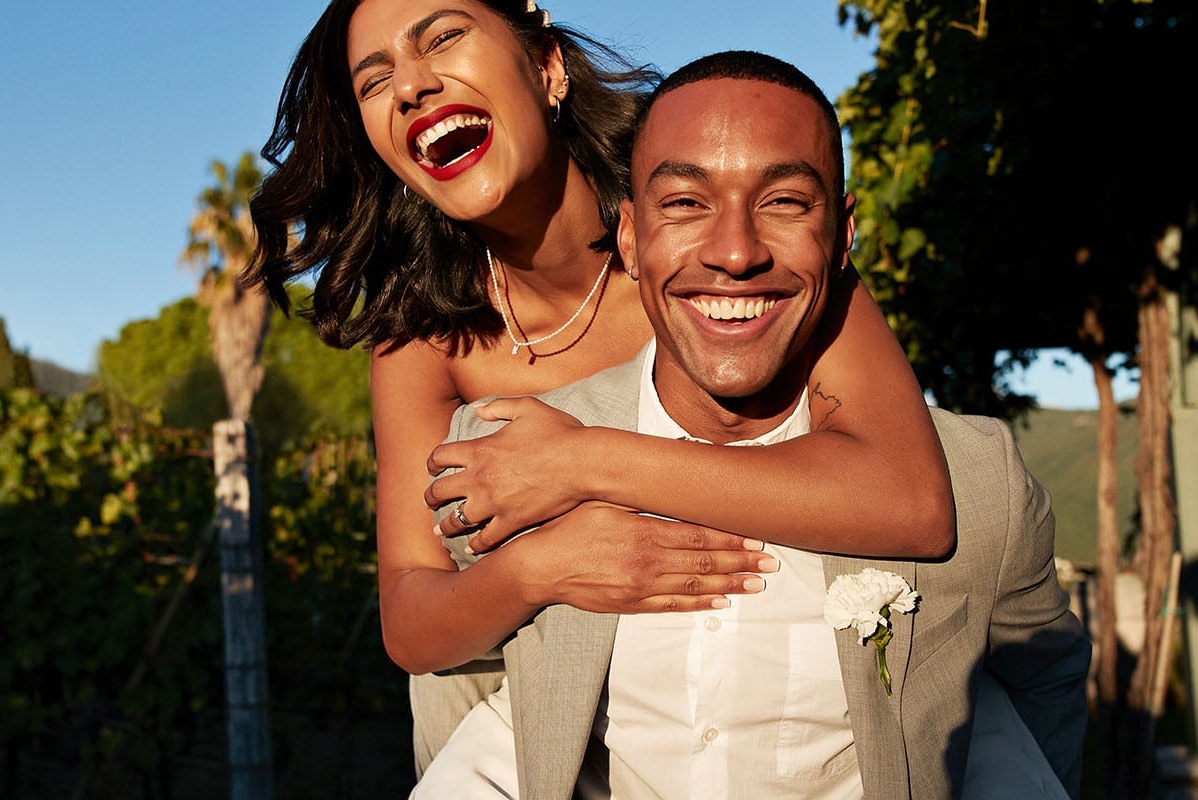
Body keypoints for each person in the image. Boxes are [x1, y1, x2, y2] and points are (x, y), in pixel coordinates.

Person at [242, 0, 957, 772]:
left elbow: (909, 501)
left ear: (547, 67)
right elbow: (412, 624)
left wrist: (583, 462)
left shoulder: (717, 239)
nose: (411, 86)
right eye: (376, 81)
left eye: (443, 37)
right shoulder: (420, 337)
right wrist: (539, 567)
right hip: (513, 742)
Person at [416, 51, 1090, 798]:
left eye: (786, 202)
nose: (736, 253)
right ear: (630, 237)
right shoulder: (505, 461)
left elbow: (1041, 691)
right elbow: (457, 687)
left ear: (842, 235)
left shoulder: (978, 484)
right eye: (685, 203)